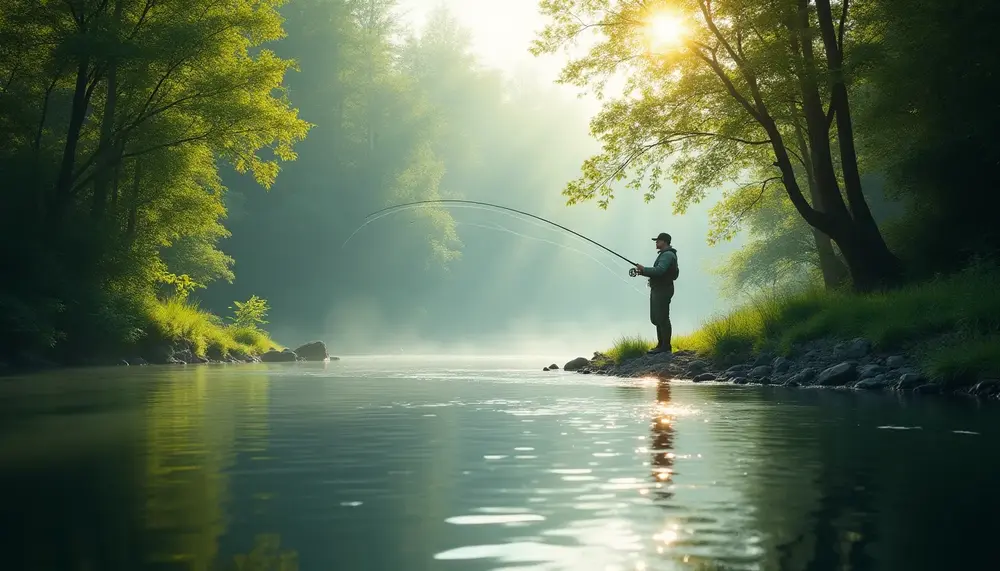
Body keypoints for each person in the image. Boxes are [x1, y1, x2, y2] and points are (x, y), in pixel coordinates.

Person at [633, 232, 678, 355]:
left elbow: (659, 271)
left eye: (658, 241)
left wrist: (644, 269)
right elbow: (658, 272)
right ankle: (661, 344)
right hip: (659, 288)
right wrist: (642, 272)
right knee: (657, 317)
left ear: (664, 242)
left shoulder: (667, 255)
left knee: (662, 317)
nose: (656, 243)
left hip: (663, 289)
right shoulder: (665, 254)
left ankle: (665, 346)